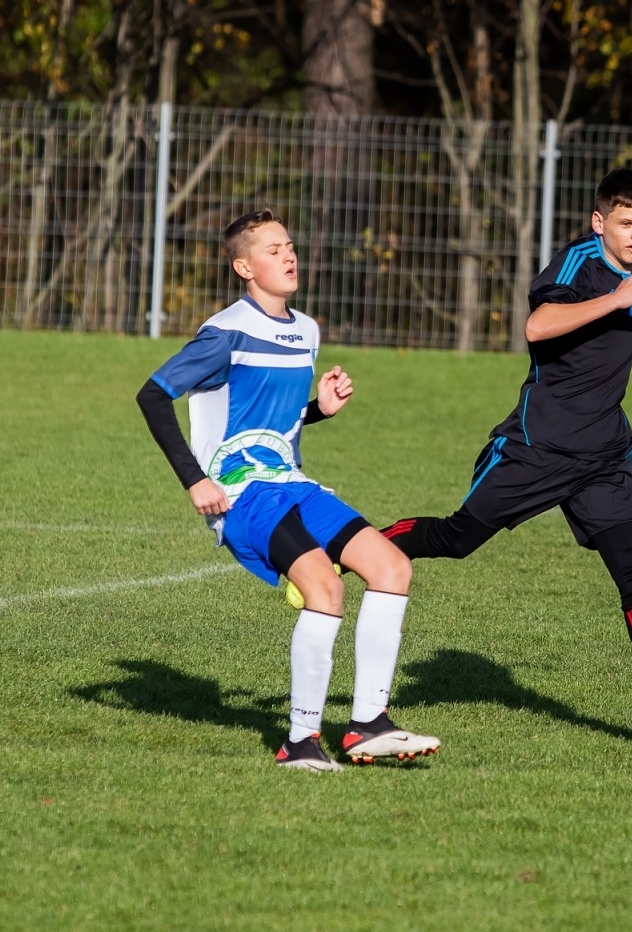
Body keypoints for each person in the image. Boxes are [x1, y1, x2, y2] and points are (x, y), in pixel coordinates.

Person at [348, 169, 632, 741]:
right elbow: (540, 325)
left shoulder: (622, 275)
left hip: (604, 456)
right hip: (539, 447)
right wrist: (619, 300)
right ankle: (346, 548)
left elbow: (611, 313)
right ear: (598, 221)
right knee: (456, 539)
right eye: (626, 224)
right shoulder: (580, 264)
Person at [135, 209, 440, 770]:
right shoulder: (225, 332)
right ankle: (300, 742)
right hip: (241, 493)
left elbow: (276, 423)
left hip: (292, 482)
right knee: (325, 588)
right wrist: (195, 479)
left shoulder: (307, 330)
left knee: (393, 567)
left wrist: (317, 411)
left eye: (290, 246)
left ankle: (368, 724)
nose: (289, 256)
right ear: (244, 266)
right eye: (274, 251)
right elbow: (152, 396)